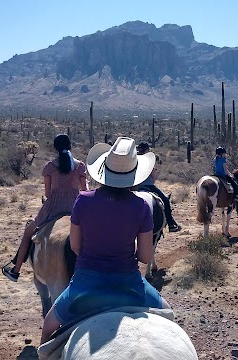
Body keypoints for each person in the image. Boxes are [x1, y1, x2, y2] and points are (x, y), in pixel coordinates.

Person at [40, 136, 171, 343]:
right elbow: (146, 257)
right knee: (169, 315)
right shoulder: (141, 207)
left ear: (103, 171)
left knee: (48, 330)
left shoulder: (83, 201)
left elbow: (75, 247)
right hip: (129, 285)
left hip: (85, 286)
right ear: (134, 175)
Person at [2, 133, 87, 282]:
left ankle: (15, 270)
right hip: (76, 207)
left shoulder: (50, 167)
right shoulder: (80, 166)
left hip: (52, 208)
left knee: (28, 233)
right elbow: (85, 191)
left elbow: (47, 193)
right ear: (70, 146)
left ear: (55, 148)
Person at [134, 142, 181, 232]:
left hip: (136, 186)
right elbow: (153, 176)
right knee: (166, 201)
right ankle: (171, 224)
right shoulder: (148, 160)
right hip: (149, 186)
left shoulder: (134, 159)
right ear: (147, 150)